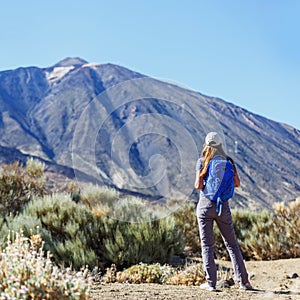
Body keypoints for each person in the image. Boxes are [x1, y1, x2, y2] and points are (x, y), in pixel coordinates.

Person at [194, 132, 252, 291]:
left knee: (207, 245)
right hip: (223, 208)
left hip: (205, 207)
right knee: (232, 244)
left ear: (206, 145)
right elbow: (237, 183)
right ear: (220, 145)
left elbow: (198, 186)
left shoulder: (202, 162)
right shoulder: (229, 162)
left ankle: (211, 283)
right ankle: (244, 282)